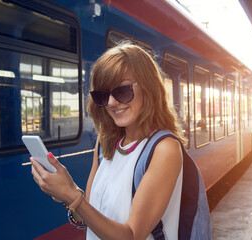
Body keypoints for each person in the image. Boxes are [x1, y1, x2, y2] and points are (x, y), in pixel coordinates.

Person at [30, 42, 186, 239]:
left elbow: (131, 236)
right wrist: (66, 193)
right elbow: (87, 215)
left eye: (122, 91)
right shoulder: (105, 142)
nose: (112, 103)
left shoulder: (164, 149)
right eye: (103, 95)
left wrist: (73, 196)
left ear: (149, 87)